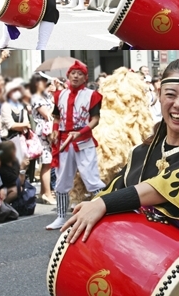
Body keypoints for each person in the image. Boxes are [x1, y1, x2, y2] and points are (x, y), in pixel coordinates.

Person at [60, 59, 179, 296]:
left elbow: (162, 187)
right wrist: (85, 217)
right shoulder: (143, 152)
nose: (178, 104)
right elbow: (115, 191)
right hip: (147, 260)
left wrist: (103, 203)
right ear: (159, 96)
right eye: (171, 95)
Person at [45, 60, 107, 230]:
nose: (76, 76)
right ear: (68, 75)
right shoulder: (60, 95)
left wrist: (81, 132)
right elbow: (57, 118)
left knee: (92, 179)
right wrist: (55, 130)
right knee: (62, 180)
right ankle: (60, 217)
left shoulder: (92, 95)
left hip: (83, 141)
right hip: (65, 141)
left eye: (80, 74)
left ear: (85, 77)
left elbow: (95, 120)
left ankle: (104, 213)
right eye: (73, 73)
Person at [29, 73, 56, 204]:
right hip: (44, 132)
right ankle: (47, 193)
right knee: (47, 163)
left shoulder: (46, 96)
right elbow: (47, 115)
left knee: (49, 163)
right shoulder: (36, 97)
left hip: (50, 131)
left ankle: (43, 193)